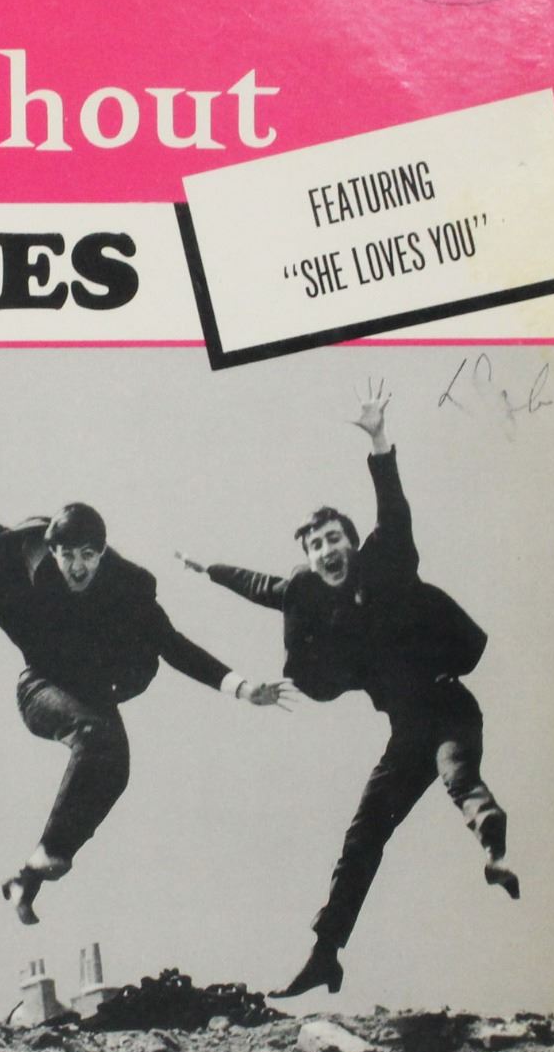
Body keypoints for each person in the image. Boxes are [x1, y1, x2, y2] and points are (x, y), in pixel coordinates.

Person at [179, 380, 516, 998]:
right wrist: (211, 571)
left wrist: (379, 440)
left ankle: (490, 840)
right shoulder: (307, 595)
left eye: (334, 539)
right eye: (316, 546)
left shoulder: (386, 561)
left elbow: (393, 509)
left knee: (458, 773)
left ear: (353, 545)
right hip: (405, 729)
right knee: (364, 834)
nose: (326, 551)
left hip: (448, 703)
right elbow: (261, 586)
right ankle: (325, 954)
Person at [0, 449, 290, 925]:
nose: (77, 567)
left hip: (92, 693)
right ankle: (49, 852)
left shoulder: (127, 589)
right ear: (54, 551)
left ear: (102, 554)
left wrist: (241, 687)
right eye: (68, 555)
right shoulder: (34, 564)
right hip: (40, 688)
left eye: (88, 556)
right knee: (95, 736)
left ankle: (29, 876)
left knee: (115, 766)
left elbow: (172, 644)